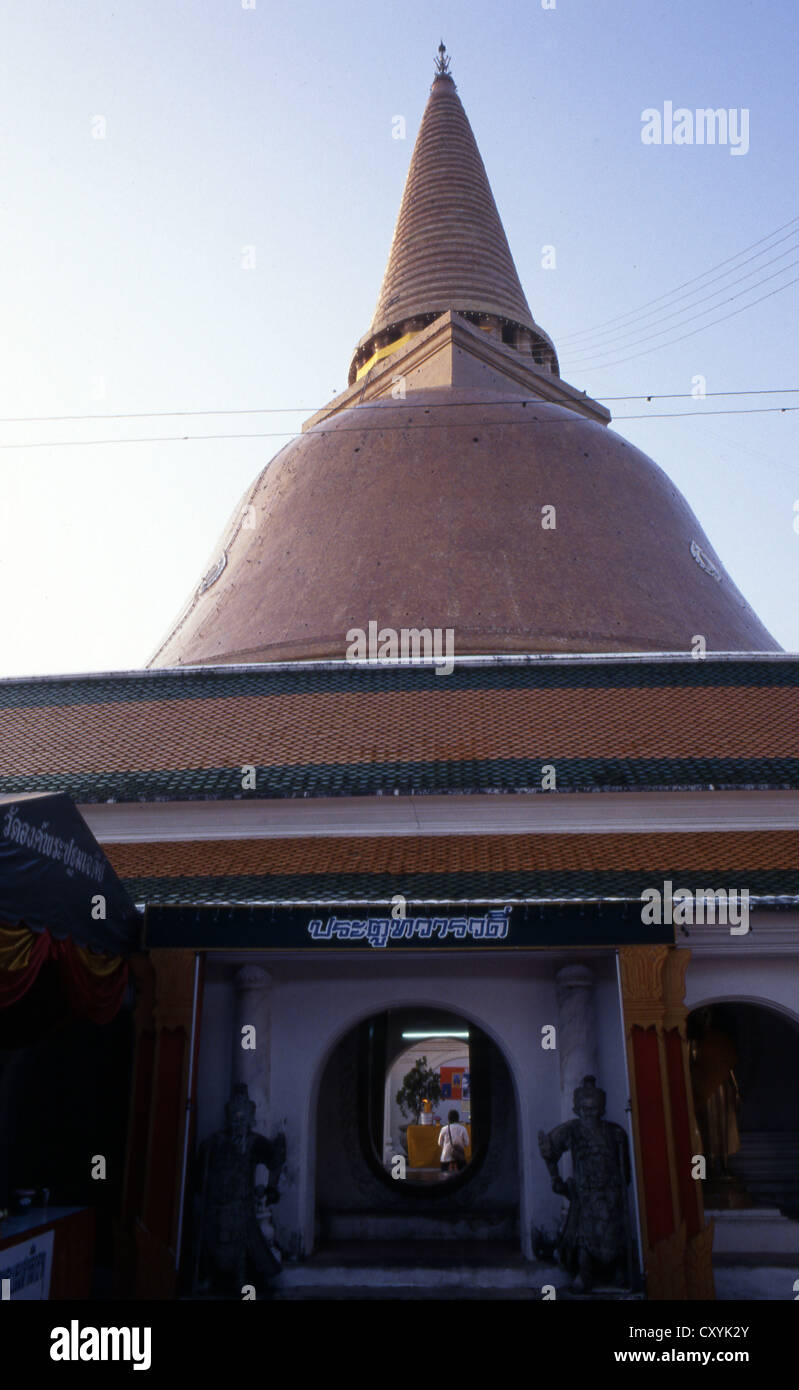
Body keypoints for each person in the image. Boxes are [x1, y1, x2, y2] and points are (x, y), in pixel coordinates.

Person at [438, 1108, 469, 1175]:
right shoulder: (463, 1128)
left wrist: (447, 1147)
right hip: (459, 1159)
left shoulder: (444, 1129)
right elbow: (467, 1143)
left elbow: (439, 1143)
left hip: (445, 1158)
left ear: (448, 1119)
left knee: (445, 1181)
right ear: (458, 1118)